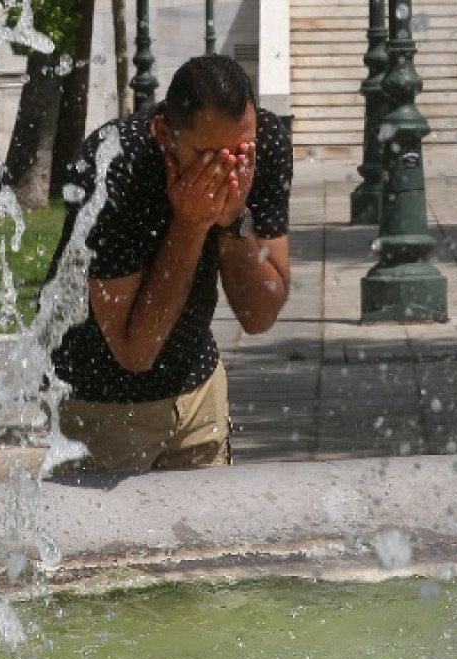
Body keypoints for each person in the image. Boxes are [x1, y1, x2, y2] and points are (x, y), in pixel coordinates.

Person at [48, 55, 293, 473]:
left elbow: (259, 315)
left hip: (199, 394)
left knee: (214, 538)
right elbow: (135, 351)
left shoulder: (264, 145)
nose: (228, 171)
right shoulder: (111, 168)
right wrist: (191, 224)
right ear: (164, 134)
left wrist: (235, 221)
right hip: (103, 407)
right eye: (208, 156)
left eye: (238, 152)